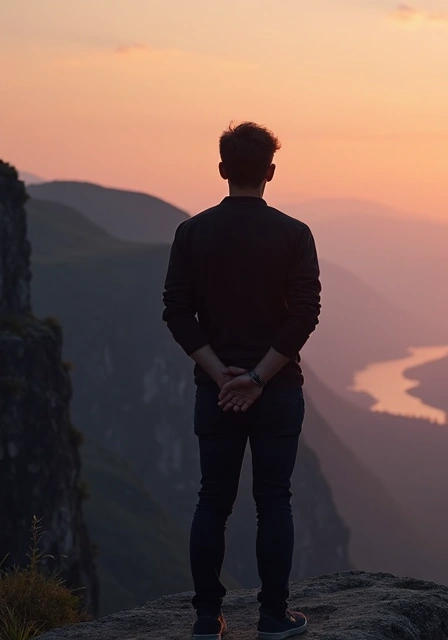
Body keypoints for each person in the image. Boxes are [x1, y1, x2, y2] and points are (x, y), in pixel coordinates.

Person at [163, 122, 320, 640]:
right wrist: (256, 378)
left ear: (223, 170)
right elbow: (304, 317)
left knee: (213, 500)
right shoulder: (294, 235)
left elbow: (177, 313)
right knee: (274, 499)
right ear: (270, 173)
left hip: (217, 393)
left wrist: (223, 377)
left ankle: (208, 619)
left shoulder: (192, 234)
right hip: (277, 390)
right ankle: (274, 617)